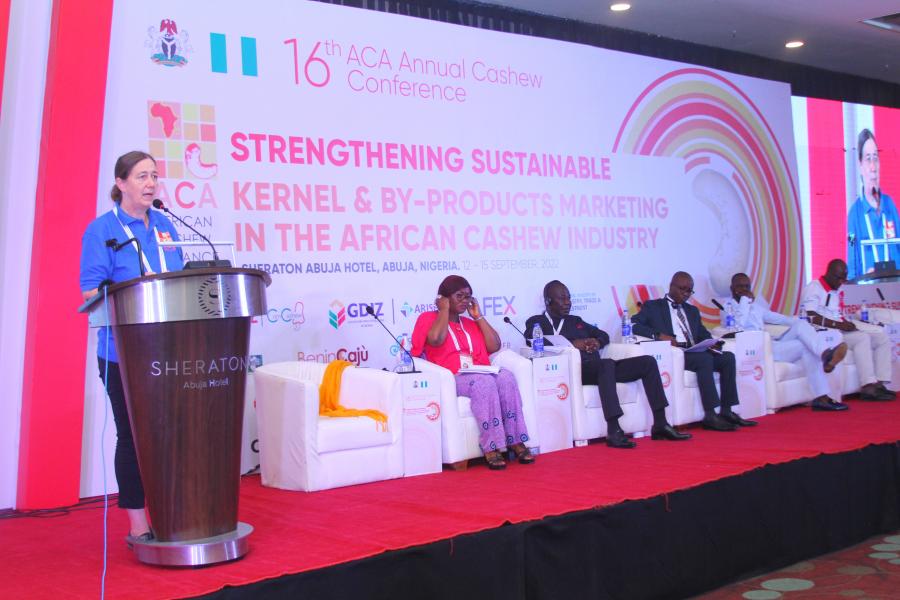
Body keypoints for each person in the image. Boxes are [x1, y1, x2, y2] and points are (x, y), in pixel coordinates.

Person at [79, 151, 184, 548]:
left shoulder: (164, 225)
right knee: (134, 435)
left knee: (171, 433)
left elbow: (179, 278)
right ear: (120, 183)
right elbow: (91, 291)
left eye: (154, 175)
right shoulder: (101, 230)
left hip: (171, 349)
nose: (151, 183)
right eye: (141, 176)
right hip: (122, 353)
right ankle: (138, 523)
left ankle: (175, 511)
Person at [524, 280, 691, 448]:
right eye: (562, 298)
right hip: (575, 371)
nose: (568, 302)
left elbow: (603, 335)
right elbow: (531, 338)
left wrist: (596, 342)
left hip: (602, 370)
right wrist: (574, 344)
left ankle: (661, 423)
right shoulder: (537, 322)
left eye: (569, 298)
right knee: (606, 365)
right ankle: (614, 429)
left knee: (648, 362)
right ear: (548, 301)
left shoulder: (575, 321)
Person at [411, 275, 534, 470]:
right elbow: (435, 340)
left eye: (468, 297)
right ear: (444, 298)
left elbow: (494, 346)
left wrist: (478, 316)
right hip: (452, 377)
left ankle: (516, 440)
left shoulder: (469, 323)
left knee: (506, 377)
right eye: (459, 296)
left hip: (479, 371)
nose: (464, 301)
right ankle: (491, 447)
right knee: (483, 383)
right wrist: (443, 310)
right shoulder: (428, 318)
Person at [632, 271, 756, 431]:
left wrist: (712, 343)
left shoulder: (692, 311)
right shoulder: (654, 306)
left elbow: (702, 333)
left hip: (695, 350)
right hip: (677, 353)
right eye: (682, 289)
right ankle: (710, 414)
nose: (686, 293)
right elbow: (634, 324)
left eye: (689, 291)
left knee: (728, 358)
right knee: (704, 359)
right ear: (671, 286)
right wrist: (659, 335)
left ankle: (727, 410)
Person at [727, 273, 849, 411]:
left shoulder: (755, 307)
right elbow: (738, 326)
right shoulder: (727, 307)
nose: (744, 289)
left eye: (747, 286)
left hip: (772, 344)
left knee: (801, 325)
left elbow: (779, 318)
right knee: (805, 347)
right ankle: (822, 396)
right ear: (732, 288)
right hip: (757, 350)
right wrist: (744, 301)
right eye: (740, 286)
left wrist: (800, 320)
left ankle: (826, 354)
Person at [801, 259, 894, 401]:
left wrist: (846, 324)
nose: (841, 282)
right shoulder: (814, 288)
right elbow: (810, 316)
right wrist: (839, 325)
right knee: (862, 338)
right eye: (839, 278)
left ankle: (880, 383)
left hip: (839, 330)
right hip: (826, 335)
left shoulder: (836, 290)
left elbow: (836, 314)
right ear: (829, 273)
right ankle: (868, 385)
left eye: (844, 279)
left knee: (881, 337)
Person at [847, 129, 900, 280]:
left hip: (894, 286)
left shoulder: (890, 206)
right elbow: (852, 257)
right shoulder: (854, 214)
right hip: (868, 288)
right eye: (868, 159)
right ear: (860, 165)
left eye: (875, 158)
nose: (873, 167)